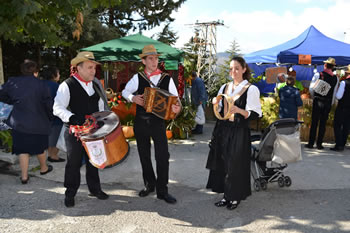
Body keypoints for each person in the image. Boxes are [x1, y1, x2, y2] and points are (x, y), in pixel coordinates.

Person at [122, 44, 181, 204]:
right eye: (150, 58)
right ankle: (149, 184)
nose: (154, 61)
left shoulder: (166, 78)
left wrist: (176, 108)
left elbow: (176, 100)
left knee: (162, 156)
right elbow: (125, 92)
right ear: (144, 61)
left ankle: (163, 190)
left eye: (156, 58)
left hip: (158, 122)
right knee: (144, 155)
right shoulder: (137, 78)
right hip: (140, 122)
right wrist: (133, 98)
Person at [53, 51, 109, 207]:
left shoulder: (96, 84)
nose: (93, 71)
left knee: (94, 160)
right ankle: (70, 193)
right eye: (90, 67)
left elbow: (100, 107)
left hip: (92, 131)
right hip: (74, 132)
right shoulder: (67, 85)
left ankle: (95, 189)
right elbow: (57, 108)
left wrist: (102, 121)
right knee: (74, 163)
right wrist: (71, 117)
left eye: (94, 68)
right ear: (79, 68)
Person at [205, 57, 262, 210]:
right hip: (223, 129)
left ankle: (235, 197)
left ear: (244, 69)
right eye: (231, 68)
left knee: (235, 165)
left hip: (239, 131)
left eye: (237, 68)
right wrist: (215, 104)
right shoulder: (224, 87)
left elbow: (255, 114)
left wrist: (239, 111)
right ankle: (226, 196)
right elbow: (219, 108)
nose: (233, 71)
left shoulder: (251, 89)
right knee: (223, 163)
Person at [0, 59, 53, 184]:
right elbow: (48, 104)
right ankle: (44, 168)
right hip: (39, 121)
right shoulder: (41, 84)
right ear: (35, 71)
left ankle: (24, 177)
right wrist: (50, 117)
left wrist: (13, 100)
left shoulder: (13, 82)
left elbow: (1, 95)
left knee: (22, 149)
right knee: (40, 148)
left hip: (19, 121)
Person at [306, 57, 339, 149]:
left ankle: (311, 143)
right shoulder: (335, 78)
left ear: (325, 65)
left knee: (314, 122)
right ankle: (319, 144)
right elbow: (334, 93)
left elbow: (311, 88)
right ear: (332, 67)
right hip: (327, 102)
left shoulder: (318, 74)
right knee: (323, 123)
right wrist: (331, 103)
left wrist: (314, 97)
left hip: (318, 100)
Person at [41, 66, 65, 162]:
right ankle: (53, 155)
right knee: (56, 136)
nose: (59, 75)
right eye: (58, 73)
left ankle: (50, 155)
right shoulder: (56, 86)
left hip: (41, 116)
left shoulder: (40, 84)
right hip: (54, 115)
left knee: (49, 137)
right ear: (53, 75)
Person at [331, 65, 350, 151]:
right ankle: (343, 143)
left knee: (337, 125)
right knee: (346, 126)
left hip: (342, 107)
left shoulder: (344, 83)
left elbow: (338, 96)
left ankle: (339, 144)